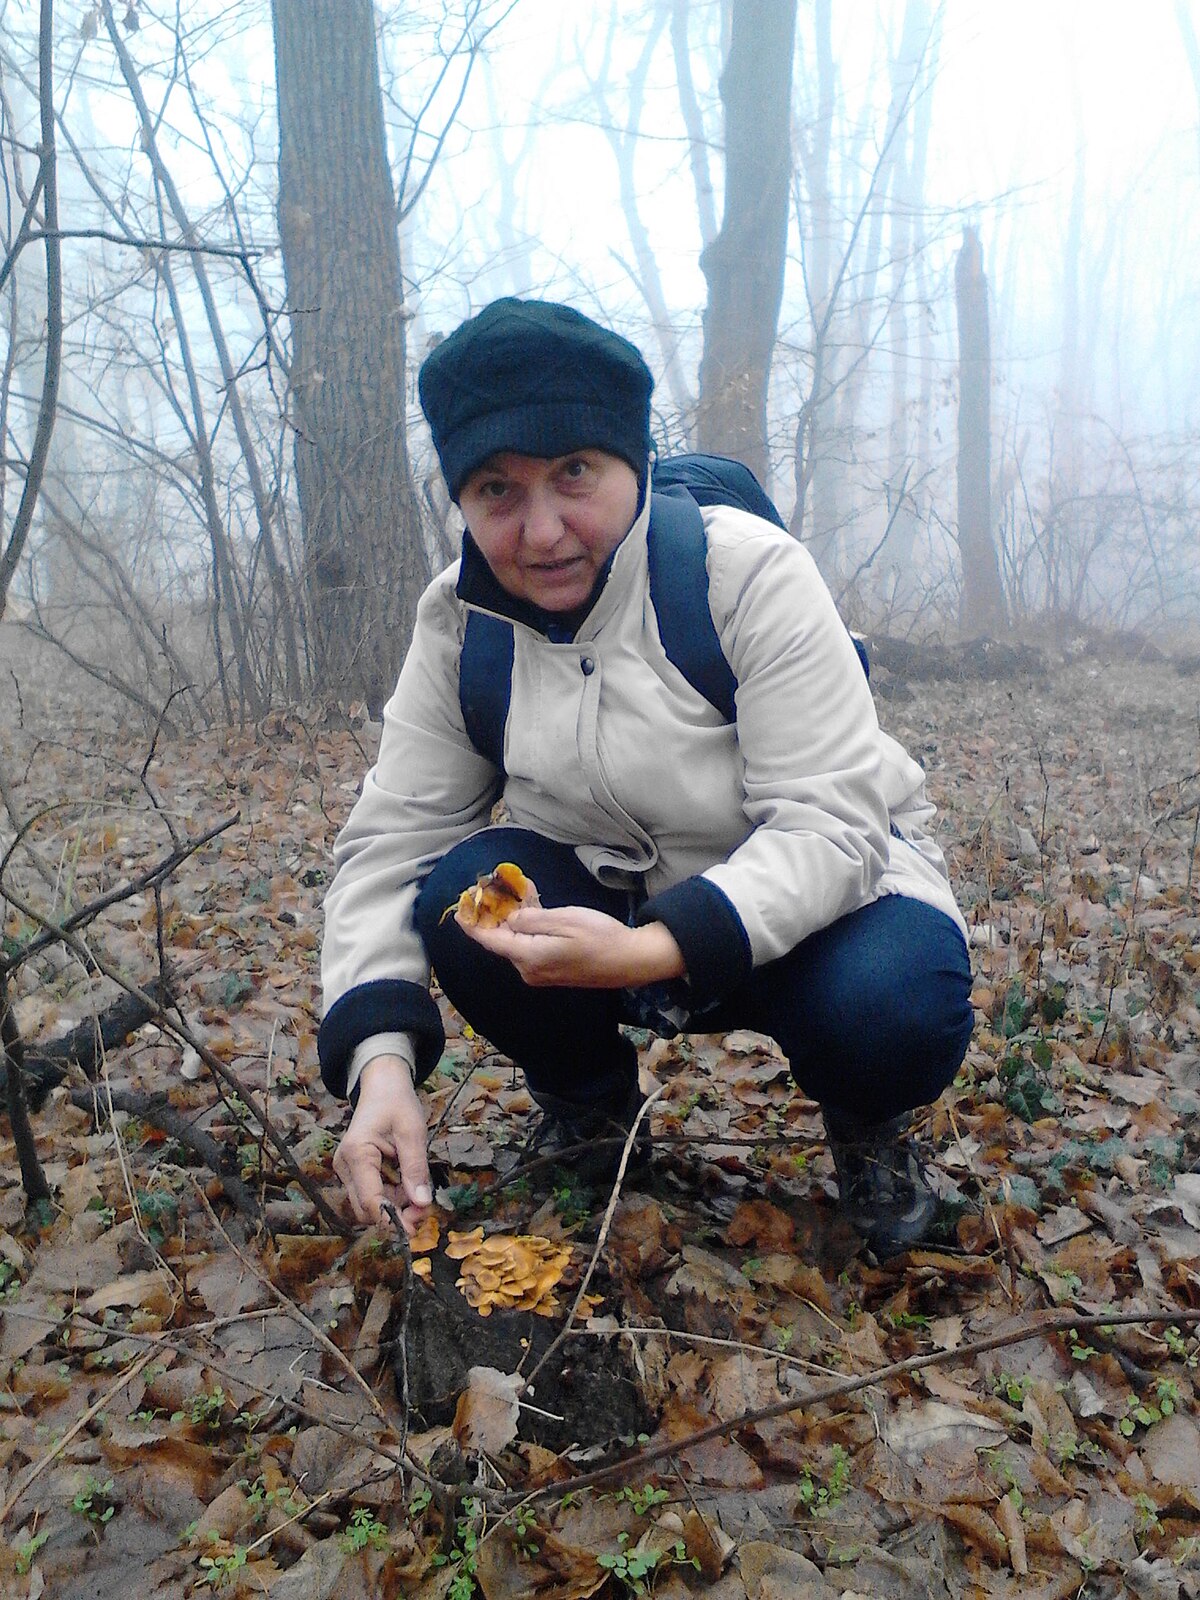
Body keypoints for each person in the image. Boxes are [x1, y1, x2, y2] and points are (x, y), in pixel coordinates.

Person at [319, 297, 974, 1257]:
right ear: (458, 502)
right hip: (611, 913)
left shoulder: (744, 577)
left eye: (574, 473)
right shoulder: (461, 627)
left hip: (834, 913)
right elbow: (390, 845)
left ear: (635, 462)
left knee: (890, 1001)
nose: (542, 532)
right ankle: (589, 1111)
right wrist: (379, 1066)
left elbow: (832, 829)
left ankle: (871, 1125)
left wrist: (647, 952)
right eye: (497, 491)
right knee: (464, 894)